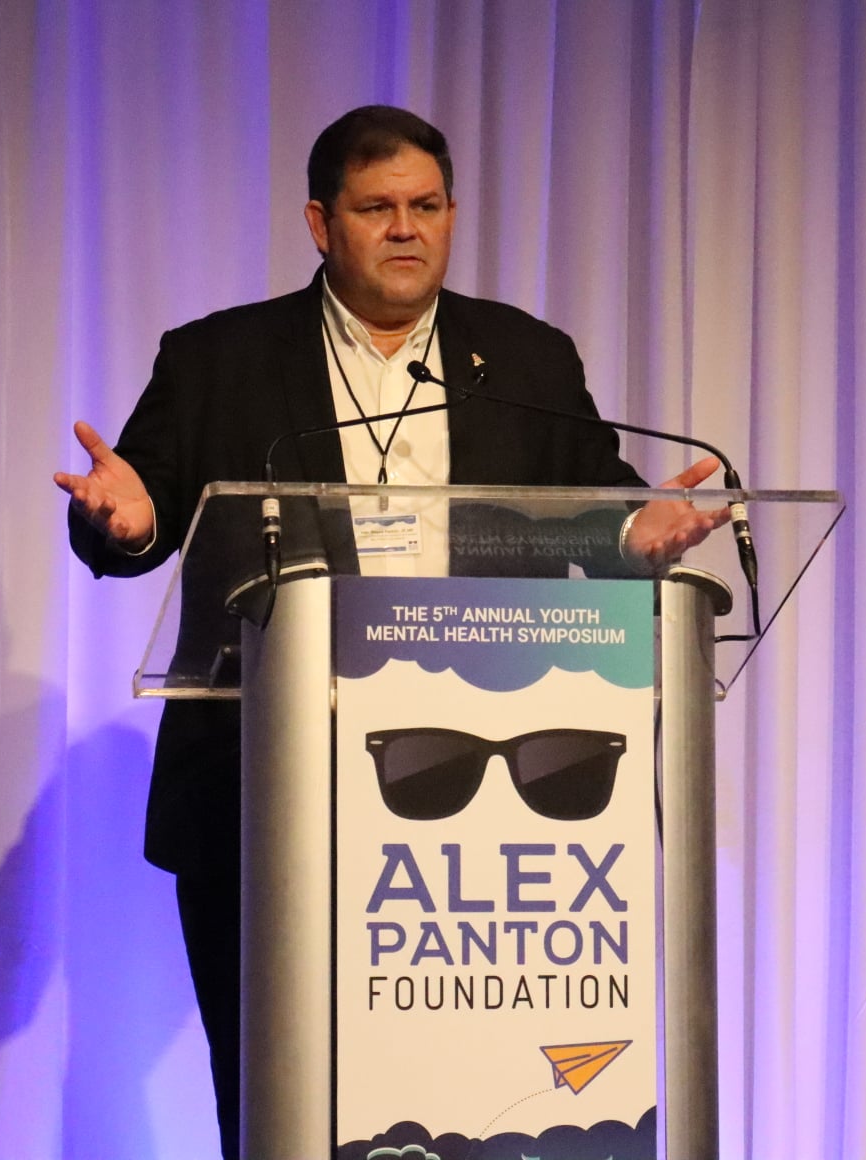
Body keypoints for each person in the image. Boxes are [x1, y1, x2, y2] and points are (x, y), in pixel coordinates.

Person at [54, 105, 726, 1159]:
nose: (407, 228)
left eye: (427, 206)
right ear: (322, 224)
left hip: (482, 820)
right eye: (377, 208)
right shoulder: (218, 360)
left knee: (472, 1104)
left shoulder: (526, 360)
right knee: (276, 1104)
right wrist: (125, 523)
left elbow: (596, 505)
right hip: (263, 790)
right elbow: (138, 505)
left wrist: (636, 533)